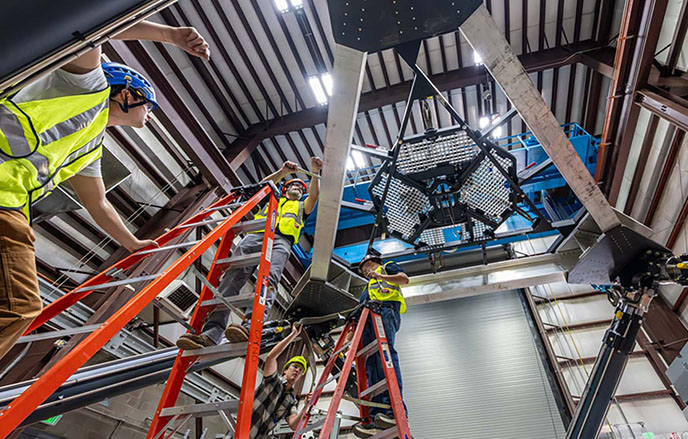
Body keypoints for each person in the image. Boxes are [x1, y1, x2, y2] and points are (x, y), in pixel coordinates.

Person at [0, 21, 211, 361]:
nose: (150, 117)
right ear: (127, 93)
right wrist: (168, 35)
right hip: (3, 201)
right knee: (18, 306)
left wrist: (134, 244)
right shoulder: (88, 84)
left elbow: (99, 205)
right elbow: (87, 26)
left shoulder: (90, 145)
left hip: (9, 204)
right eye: (149, 106)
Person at [176, 158, 322, 349]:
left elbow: (314, 195)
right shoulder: (272, 197)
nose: (298, 188)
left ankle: (250, 327)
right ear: (285, 188)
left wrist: (315, 172)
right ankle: (211, 333)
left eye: (301, 188)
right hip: (256, 235)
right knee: (231, 278)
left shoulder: (303, 207)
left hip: (281, 242)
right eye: (294, 185)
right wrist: (282, 172)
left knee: (268, 281)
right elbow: (262, 185)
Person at [353, 253, 409, 438]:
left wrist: (381, 275)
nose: (367, 271)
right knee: (372, 365)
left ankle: (394, 411)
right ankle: (377, 416)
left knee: (386, 358)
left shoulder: (388, 268)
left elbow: (404, 279)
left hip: (384, 312)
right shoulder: (366, 288)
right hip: (368, 319)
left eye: (369, 266)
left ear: (376, 263)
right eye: (364, 269)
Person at [251, 322, 309, 439]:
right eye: (295, 367)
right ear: (285, 370)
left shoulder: (291, 400)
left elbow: (293, 425)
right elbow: (271, 357)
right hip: (245, 431)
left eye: (300, 370)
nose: (297, 370)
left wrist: (306, 406)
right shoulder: (272, 380)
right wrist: (293, 335)